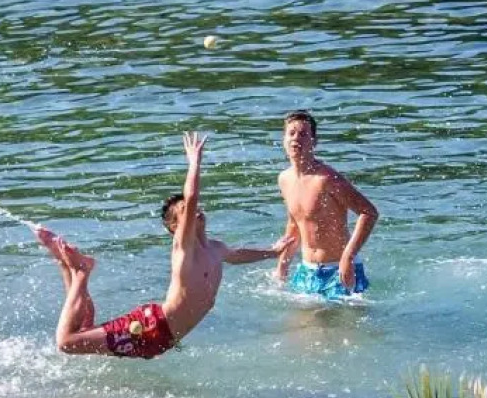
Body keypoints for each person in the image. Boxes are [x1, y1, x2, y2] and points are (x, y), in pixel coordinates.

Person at [35, 132, 293, 359]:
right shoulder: (184, 249)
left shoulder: (215, 248)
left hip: (161, 337)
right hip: (152, 329)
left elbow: (237, 256)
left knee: (84, 330)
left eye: (195, 210)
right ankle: (81, 271)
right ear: (175, 228)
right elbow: (191, 196)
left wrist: (272, 251)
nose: (195, 212)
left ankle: (65, 264)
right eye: (186, 213)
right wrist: (194, 162)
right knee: (67, 343)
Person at [274, 111, 377, 299]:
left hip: (339, 270)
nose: (296, 138)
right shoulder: (284, 179)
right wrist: (282, 265)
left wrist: (348, 257)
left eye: (303, 134)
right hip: (307, 271)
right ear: (284, 139)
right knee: (299, 327)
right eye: (291, 133)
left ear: (314, 142)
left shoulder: (327, 179)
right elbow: (294, 223)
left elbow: (368, 212)